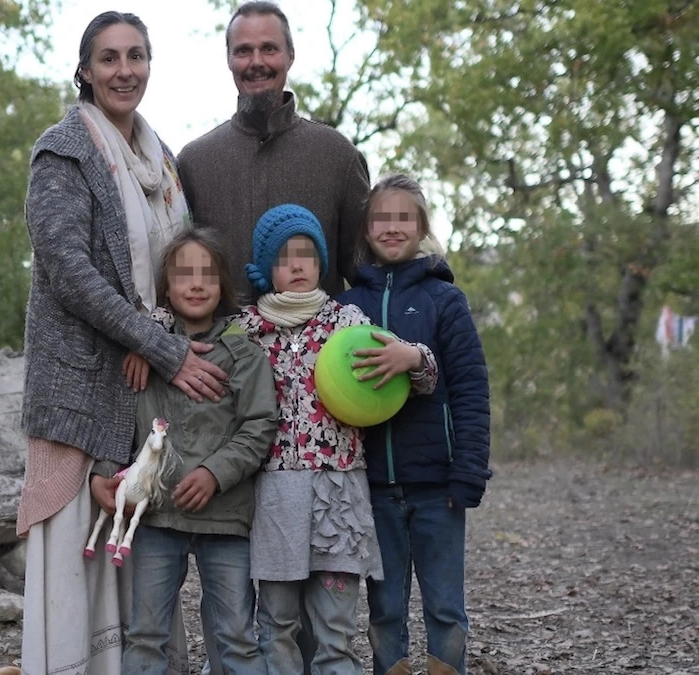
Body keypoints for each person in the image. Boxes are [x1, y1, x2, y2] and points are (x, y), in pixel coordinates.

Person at [17, 12, 227, 675]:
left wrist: (154, 335)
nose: (124, 70)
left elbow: (170, 272)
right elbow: (70, 274)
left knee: (139, 555)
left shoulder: (161, 158)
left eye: (136, 56)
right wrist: (162, 346)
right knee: (76, 555)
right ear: (84, 69)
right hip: (78, 387)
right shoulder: (65, 150)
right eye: (108, 58)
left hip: (137, 385)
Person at [235, 204, 438, 675]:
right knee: (277, 624)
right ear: (268, 268)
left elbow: (420, 376)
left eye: (307, 254)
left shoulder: (347, 321)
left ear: (321, 261)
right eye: (285, 257)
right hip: (273, 495)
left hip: (338, 495)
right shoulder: (245, 330)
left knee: (336, 629)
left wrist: (414, 357)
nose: (299, 265)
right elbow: (195, 361)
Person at [337, 174, 492, 675]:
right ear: (365, 228)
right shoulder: (345, 307)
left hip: (437, 484)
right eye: (382, 217)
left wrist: (468, 471)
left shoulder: (445, 300)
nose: (392, 227)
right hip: (373, 486)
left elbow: (470, 390)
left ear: (421, 225)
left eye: (404, 217)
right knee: (383, 611)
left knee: (445, 607)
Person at [121, 230, 277, 675]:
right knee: (146, 635)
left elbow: (260, 425)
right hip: (156, 516)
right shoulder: (144, 353)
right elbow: (121, 420)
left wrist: (213, 473)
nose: (195, 283)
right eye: (183, 273)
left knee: (236, 638)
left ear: (223, 285)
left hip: (225, 518)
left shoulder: (243, 353)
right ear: (166, 285)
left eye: (207, 273)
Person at [178, 1, 370, 301]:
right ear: (229, 60)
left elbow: (370, 278)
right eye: (243, 51)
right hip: (217, 346)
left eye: (269, 48)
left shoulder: (337, 156)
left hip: (320, 346)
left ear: (290, 56)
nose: (256, 61)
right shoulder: (194, 163)